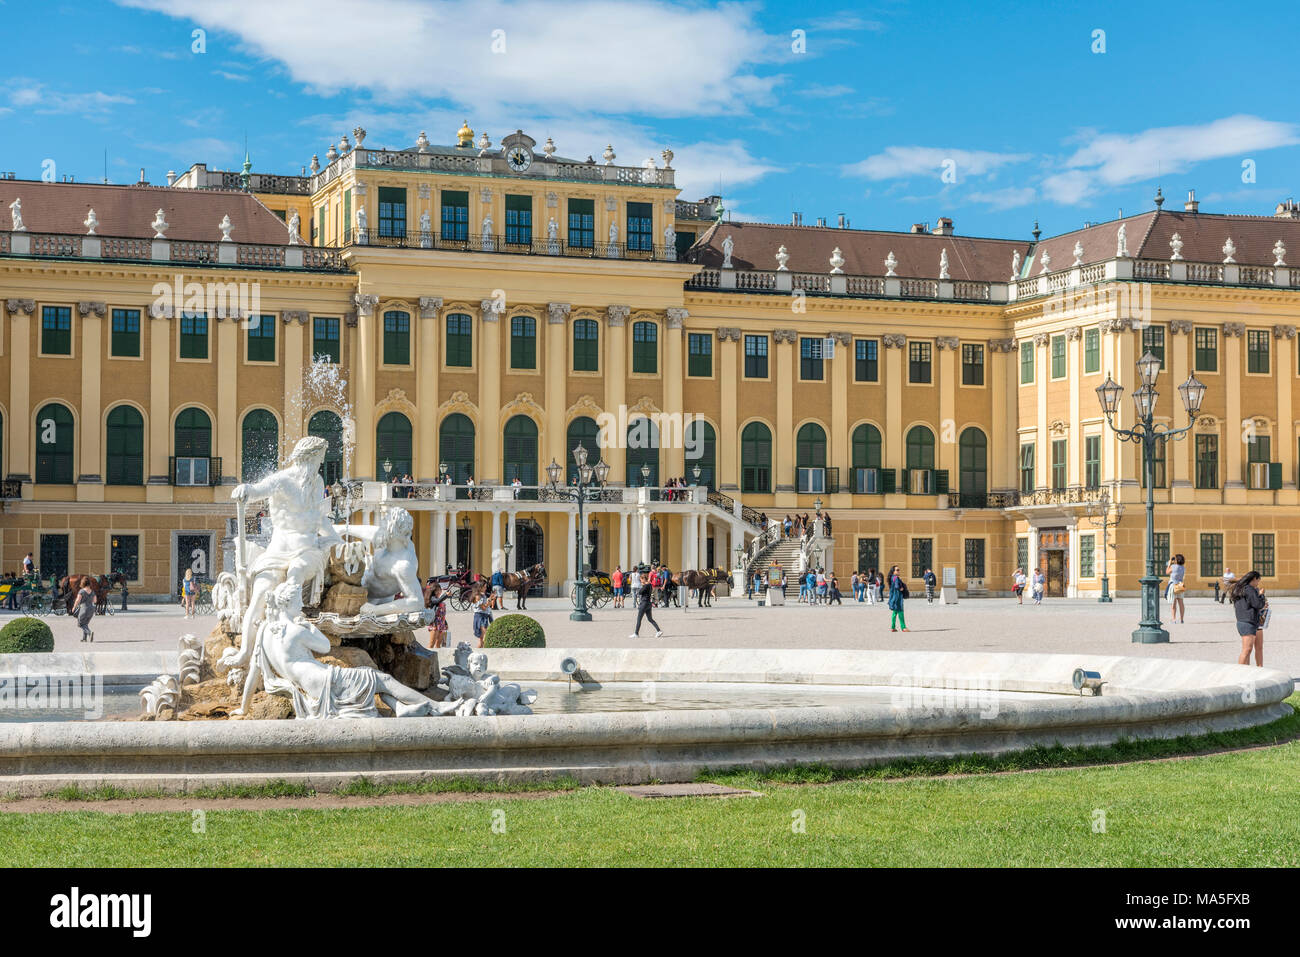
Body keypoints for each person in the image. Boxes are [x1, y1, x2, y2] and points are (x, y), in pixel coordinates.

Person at [1230, 570, 1267, 667]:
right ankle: (1239, 672)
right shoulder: (1249, 589)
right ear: (1254, 579)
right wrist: (1262, 595)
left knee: (1248, 650)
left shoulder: (1240, 589)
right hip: (1248, 621)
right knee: (1247, 650)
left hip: (1244, 621)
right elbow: (1258, 604)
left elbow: (1250, 603)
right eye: (1258, 580)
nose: (1258, 583)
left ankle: (1246, 671)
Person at [629, 574, 663, 639]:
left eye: (641, 580)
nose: (641, 581)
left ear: (644, 579)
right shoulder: (650, 585)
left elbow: (640, 592)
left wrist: (642, 585)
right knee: (650, 619)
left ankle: (636, 633)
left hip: (644, 604)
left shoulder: (646, 586)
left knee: (639, 619)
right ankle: (659, 631)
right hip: (648, 604)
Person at [71, 577, 97, 643]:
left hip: (84, 608)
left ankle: (89, 633)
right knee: (85, 623)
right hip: (91, 609)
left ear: (82, 583)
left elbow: (77, 600)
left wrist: (74, 607)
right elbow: (95, 600)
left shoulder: (81, 591)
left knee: (80, 623)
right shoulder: (92, 591)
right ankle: (84, 639)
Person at [425, 581, 448, 649]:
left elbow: (442, 614)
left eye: (440, 590)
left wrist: (445, 623)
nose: (438, 592)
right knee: (431, 644)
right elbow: (437, 601)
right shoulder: (433, 599)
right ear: (433, 592)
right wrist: (446, 595)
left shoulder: (439, 599)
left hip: (442, 623)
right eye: (436, 591)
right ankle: (428, 659)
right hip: (435, 623)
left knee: (438, 645)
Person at [1166, 553, 1187, 624]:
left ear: (1177, 560)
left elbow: (1167, 572)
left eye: (1174, 559)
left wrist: (1169, 564)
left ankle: (1174, 619)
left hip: (1173, 585)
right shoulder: (1183, 568)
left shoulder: (1173, 566)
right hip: (1180, 585)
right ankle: (1181, 619)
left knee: (1173, 603)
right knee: (1181, 603)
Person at [887, 565, 909, 632]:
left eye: (899, 569)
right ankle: (903, 627)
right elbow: (896, 586)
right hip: (898, 597)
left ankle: (893, 627)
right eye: (897, 570)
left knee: (894, 612)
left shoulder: (892, 578)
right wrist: (901, 588)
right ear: (893, 571)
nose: (899, 571)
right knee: (900, 612)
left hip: (894, 597)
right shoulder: (896, 578)